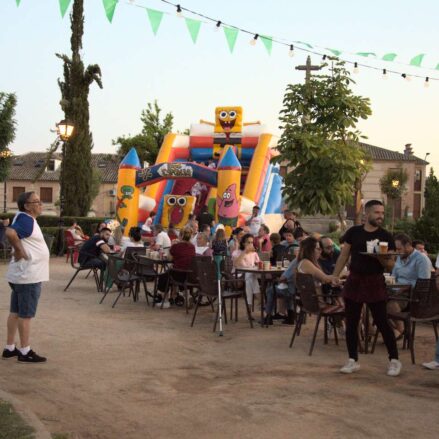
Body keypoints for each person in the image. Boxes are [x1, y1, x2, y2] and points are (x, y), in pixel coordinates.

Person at [333, 199, 402, 377]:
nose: (381, 216)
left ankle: (394, 360)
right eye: (377, 213)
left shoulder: (386, 236)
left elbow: (390, 266)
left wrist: (380, 257)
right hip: (354, 280)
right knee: (352, 321)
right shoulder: (354, 232)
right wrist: (335, 275)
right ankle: (352, 360)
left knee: (381, 321)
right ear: (367, 214)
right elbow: (343, 255)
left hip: (374, 280)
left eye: (382, 213)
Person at [2, 192, 50, 363]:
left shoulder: (24, 218)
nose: (41, 204)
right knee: (25, 315)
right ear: (27, 206)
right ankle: (24, 351)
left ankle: (9, 348)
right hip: (28, 276)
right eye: (37, 201)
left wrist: (19, 249)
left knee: (15, 312)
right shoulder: (26, 219)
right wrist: (20, 250)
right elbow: (9, 233)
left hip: (21, 275)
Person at [389, 233, 431, 339]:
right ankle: (395, 331)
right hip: (396, 290)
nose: (397, 252)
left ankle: (400, 330)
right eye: (396, 249)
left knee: (389, 305)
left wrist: (404, 287)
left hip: (412, 295)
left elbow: (424, 284)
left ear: (408, 245)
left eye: (399, 249)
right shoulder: (400, 257)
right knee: (374, 301)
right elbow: (394, 276)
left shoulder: (421, 259)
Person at [264, 257, 299, 325]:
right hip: (300, 291)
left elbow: (284, 277)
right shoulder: (309, 261)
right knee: (288, 288)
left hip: (291, 290)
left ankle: (268, 317)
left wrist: (278, 280)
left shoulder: (296, 261)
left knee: (270, 290)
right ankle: (290, 316)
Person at [232, 233, 260, 305]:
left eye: (252, 242)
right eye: (248, 242)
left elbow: (259, 264)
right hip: (237, 276)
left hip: (250, 275)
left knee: (249, 275)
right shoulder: (237, 252)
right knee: (249, 275)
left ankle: (249, 304)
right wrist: (244, 252)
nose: (250, 244)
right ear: (243, 243)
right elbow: (236, 264)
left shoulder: (254, 253)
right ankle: (260, 299)